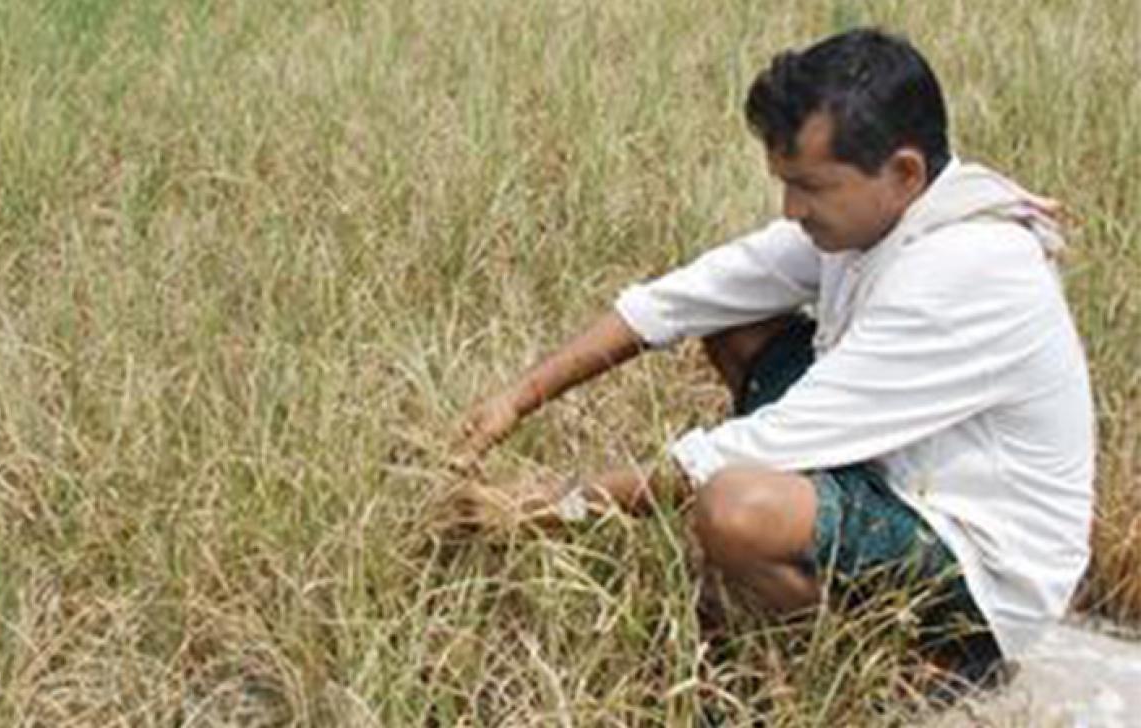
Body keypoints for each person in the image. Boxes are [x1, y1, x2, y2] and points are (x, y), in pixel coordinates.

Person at [453, 27, 1095, 687]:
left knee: (737, 509)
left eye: (811, 186)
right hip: (891, 464)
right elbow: (689, 297)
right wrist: (517, 398)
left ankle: (885, 676)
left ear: (903, 173)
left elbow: (768, 443)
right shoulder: (886, 214)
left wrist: (554, 506)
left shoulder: (967, 268)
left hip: (976, 555)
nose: (791, 209)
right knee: (734, 323)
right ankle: (810, 597)